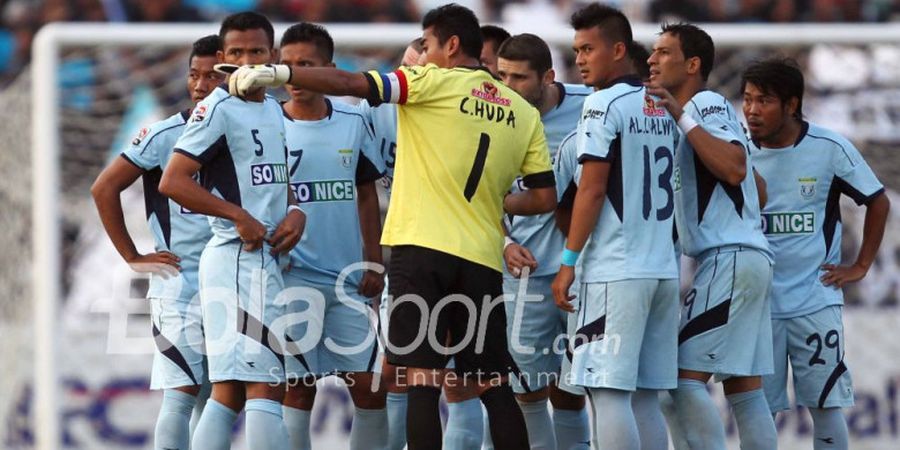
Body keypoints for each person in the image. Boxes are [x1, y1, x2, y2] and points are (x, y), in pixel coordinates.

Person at [221, 4, 557, 449]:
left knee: (421, 382)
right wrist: (493, 199)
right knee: (492, 382)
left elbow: (348, 82)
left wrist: (279, 74)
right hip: (481, 258)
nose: (423, 54)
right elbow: (543, 198)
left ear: (451, 45)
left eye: (428, 44)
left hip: (421, 253)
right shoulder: (521, 111)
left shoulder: (430, 83)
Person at [159, 12, 305, 450]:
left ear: (272, 56)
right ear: (222, 58)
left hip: (258, 260)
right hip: (236, 257)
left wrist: (296, 209)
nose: (246, 60)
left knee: (228, 392)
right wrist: (237, 216)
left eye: (256, 51)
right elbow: (173, 180)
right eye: (236, 53)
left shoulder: (272, 111)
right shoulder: (218, 106)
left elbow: (276, 180)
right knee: (265, 388)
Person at [550, 4, 680, 450]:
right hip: (662, 268)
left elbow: (592, 189)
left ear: (619, 49)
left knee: (606, 392)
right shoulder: (665, 104)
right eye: (575, 50)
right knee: (644, 395)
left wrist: (567, 262)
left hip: (614, 270)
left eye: (588, 48)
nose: (580, 59)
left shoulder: (602, 103)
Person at [744, 58, 890, 450]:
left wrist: (860, 265)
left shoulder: (829, 148)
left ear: (792, 105)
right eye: (747, 99)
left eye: (764, 101)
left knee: (825, 405)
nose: (752, 111)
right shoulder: (736, 151)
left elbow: (877, 201)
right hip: (758, 306)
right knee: (758, 410)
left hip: (814, 300)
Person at [646, 23, 777, 450]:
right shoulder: (696, 120)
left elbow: (737, 170)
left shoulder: (703, 103)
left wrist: (683, 118)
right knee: (746, 390)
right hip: (746, 257)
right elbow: (757, 188)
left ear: (693, 63)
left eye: (663, 52)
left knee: (678, 383)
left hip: (730, 258)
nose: (652, 60)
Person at [91, 34, 222, 450]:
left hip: (238, 281)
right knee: (183, 396)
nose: (200, 85)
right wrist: (133, 256)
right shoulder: (164, 134)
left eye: (212, 76)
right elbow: (103, 188)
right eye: (193, 75)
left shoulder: (253, 132)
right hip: (180, 283)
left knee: (219, 397)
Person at [275, 22, 388, 450]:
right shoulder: (268, 125)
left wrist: (373, 258)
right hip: (292, 276)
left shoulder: (353, 119)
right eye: (286, 65)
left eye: (306, 65)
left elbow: (365, 193)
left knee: (369, 387)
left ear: (329, 69)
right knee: (298, 387)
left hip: (347, 278)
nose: (295, 75)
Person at [495, 32, 592, 450]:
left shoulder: (590, 106)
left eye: (518, 78)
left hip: (583, 270)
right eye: (501, 76)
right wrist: (503, 242)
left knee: (574, 390)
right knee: (526, 390)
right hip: (525, 271)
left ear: (548, 77)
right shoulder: (491, 115)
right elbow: (480, 191)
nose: (507, 88)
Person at [356, 37, 423, 450]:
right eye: (403, 66)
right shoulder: (373, 110)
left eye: (416, 70)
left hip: (465, 248)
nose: (404, 77)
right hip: (405, 249)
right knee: (395, 369)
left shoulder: (454, 110)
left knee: (466, 382)